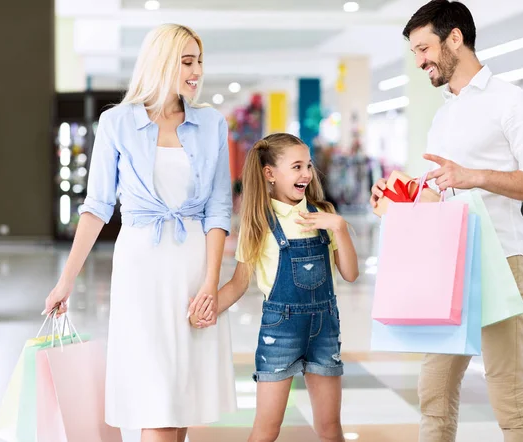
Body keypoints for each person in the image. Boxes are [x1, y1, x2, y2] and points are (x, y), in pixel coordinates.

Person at [370, 1, 523, 441]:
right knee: (433, 394)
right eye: (415, 52)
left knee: (509, 398)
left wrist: (474, 176)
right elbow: (441, 190)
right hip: (449, 265)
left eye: (424, 48)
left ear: (455, 37)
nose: (419, 61)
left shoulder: (511, 102)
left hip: (504, 263)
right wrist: (399, 195)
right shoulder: (445, 112)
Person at [44, 24, 236, 442]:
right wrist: (67, 279)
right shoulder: (117, 123)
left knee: (181, 391)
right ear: (161, 62)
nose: (196, 71)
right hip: (141, 267)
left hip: (192, 266)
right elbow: (96, 207)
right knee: (158, 392)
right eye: (187, 61)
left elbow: (219, 209)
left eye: (199, 61)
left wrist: (210, 283)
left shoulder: (211, 124)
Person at [194, 133, 359, 442]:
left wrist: (339, 226)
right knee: (267, 429)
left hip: (325, 331)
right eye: (297, 167)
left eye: (308, 166)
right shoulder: (258, 223)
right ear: (269, 174)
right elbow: (239, 283)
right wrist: (209, 306)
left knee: (330, 429)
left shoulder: (323, 213)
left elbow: (350, 273)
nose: (307, 174)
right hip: (279, 333)